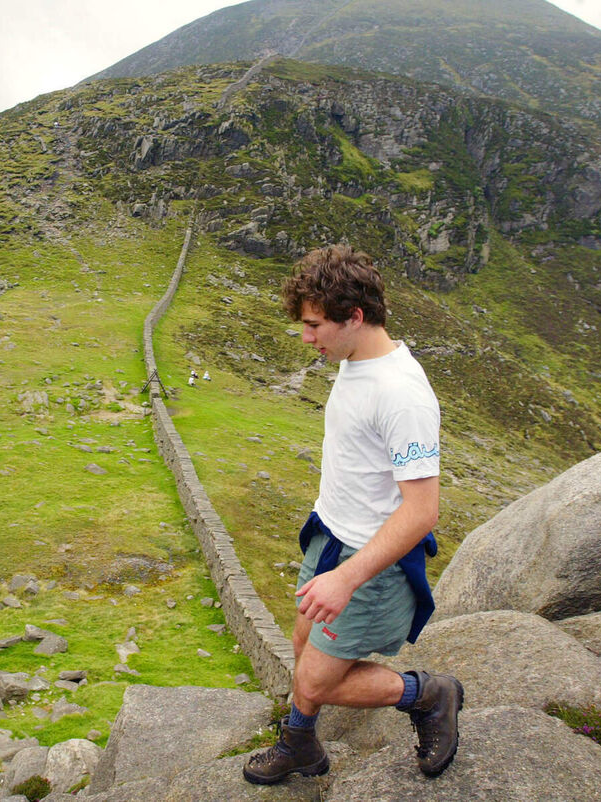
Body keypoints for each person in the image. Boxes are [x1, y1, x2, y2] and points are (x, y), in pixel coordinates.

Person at [243, 245, 463, 785]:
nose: (306, 337)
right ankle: (300, 743)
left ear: (355, 317)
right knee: (302, 647)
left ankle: (429, 694)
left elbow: (423, 511)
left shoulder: (401, 394)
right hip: (331, 538)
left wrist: (345, 578)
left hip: (369, 563)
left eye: (314, 325)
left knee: (315, 681)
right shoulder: (354, 361)